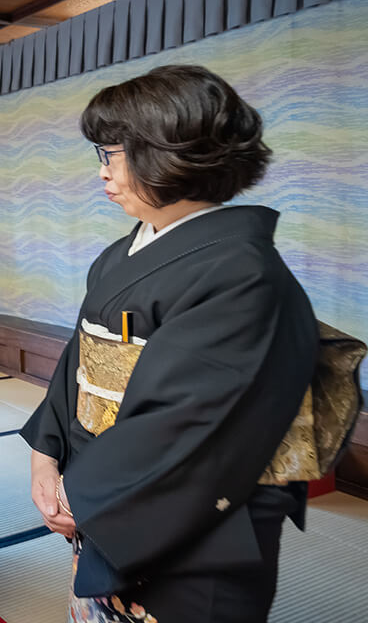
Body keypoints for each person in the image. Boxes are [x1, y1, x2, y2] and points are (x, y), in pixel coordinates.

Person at [21, 65, 322, 623]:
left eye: (111, 153)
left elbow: (184, 427)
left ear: (167, 154)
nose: (103, 171)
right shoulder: (117, 256)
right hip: (104, 496)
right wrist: (46, 456)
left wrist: (79, 495)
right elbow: (77, 367)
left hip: (191, 530)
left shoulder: (243, 274)